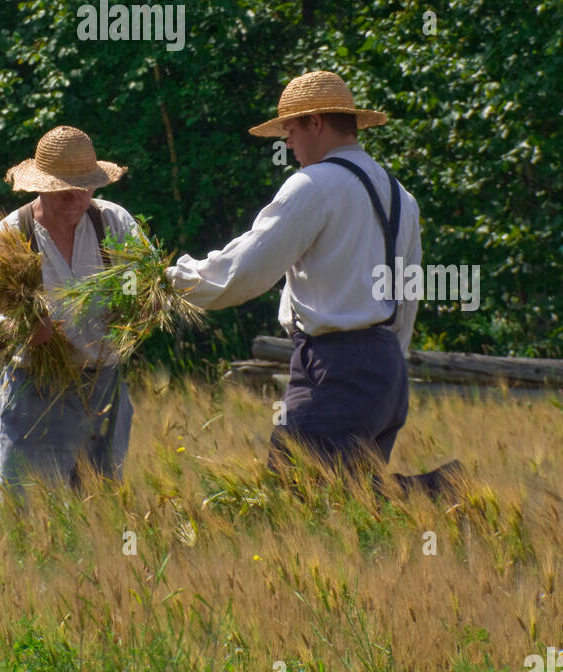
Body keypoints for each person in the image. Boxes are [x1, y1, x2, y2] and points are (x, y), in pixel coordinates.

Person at [166, 71, 462, 496]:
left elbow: (245, 271)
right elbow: (409, 291)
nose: (286, 144)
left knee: (297, 494)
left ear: (316, 122)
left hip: (336, 366)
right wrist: (387, 359)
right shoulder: (401, 196)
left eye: (289, 130)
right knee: (351, 503)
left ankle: (443, 491)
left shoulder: (312, 185)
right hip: (384, 369)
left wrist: (173, 280)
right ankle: (442, 490)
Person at [0, 125, 140, 502]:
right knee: (27, 514)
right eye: (63, 185)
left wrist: (135, 306)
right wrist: (20, 329)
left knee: (101, 510)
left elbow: (140, 285)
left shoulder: (114, 224)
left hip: (104, 387)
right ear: (40, 185)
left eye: (83, 184)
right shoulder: (8, 237)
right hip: (34, 392)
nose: (74, 195)